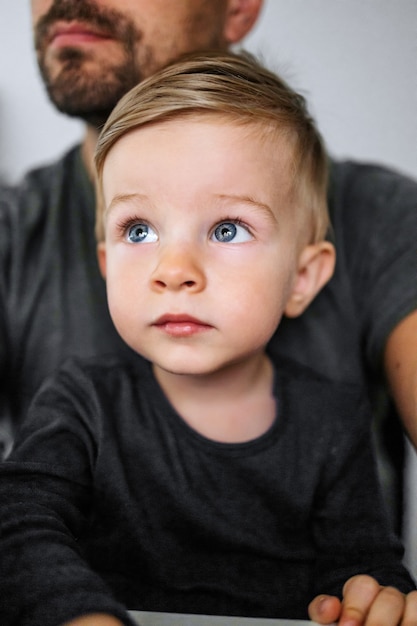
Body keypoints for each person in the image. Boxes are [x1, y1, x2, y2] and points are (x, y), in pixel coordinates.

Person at [0, 51, 416, 626]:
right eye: (138, 230)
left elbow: (365, 567)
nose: (174, 268)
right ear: (105, 262)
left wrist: (376, 599)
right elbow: (17, 526)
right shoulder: (80, 403)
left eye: (227, 229)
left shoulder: (332, 421)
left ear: (302, 277)